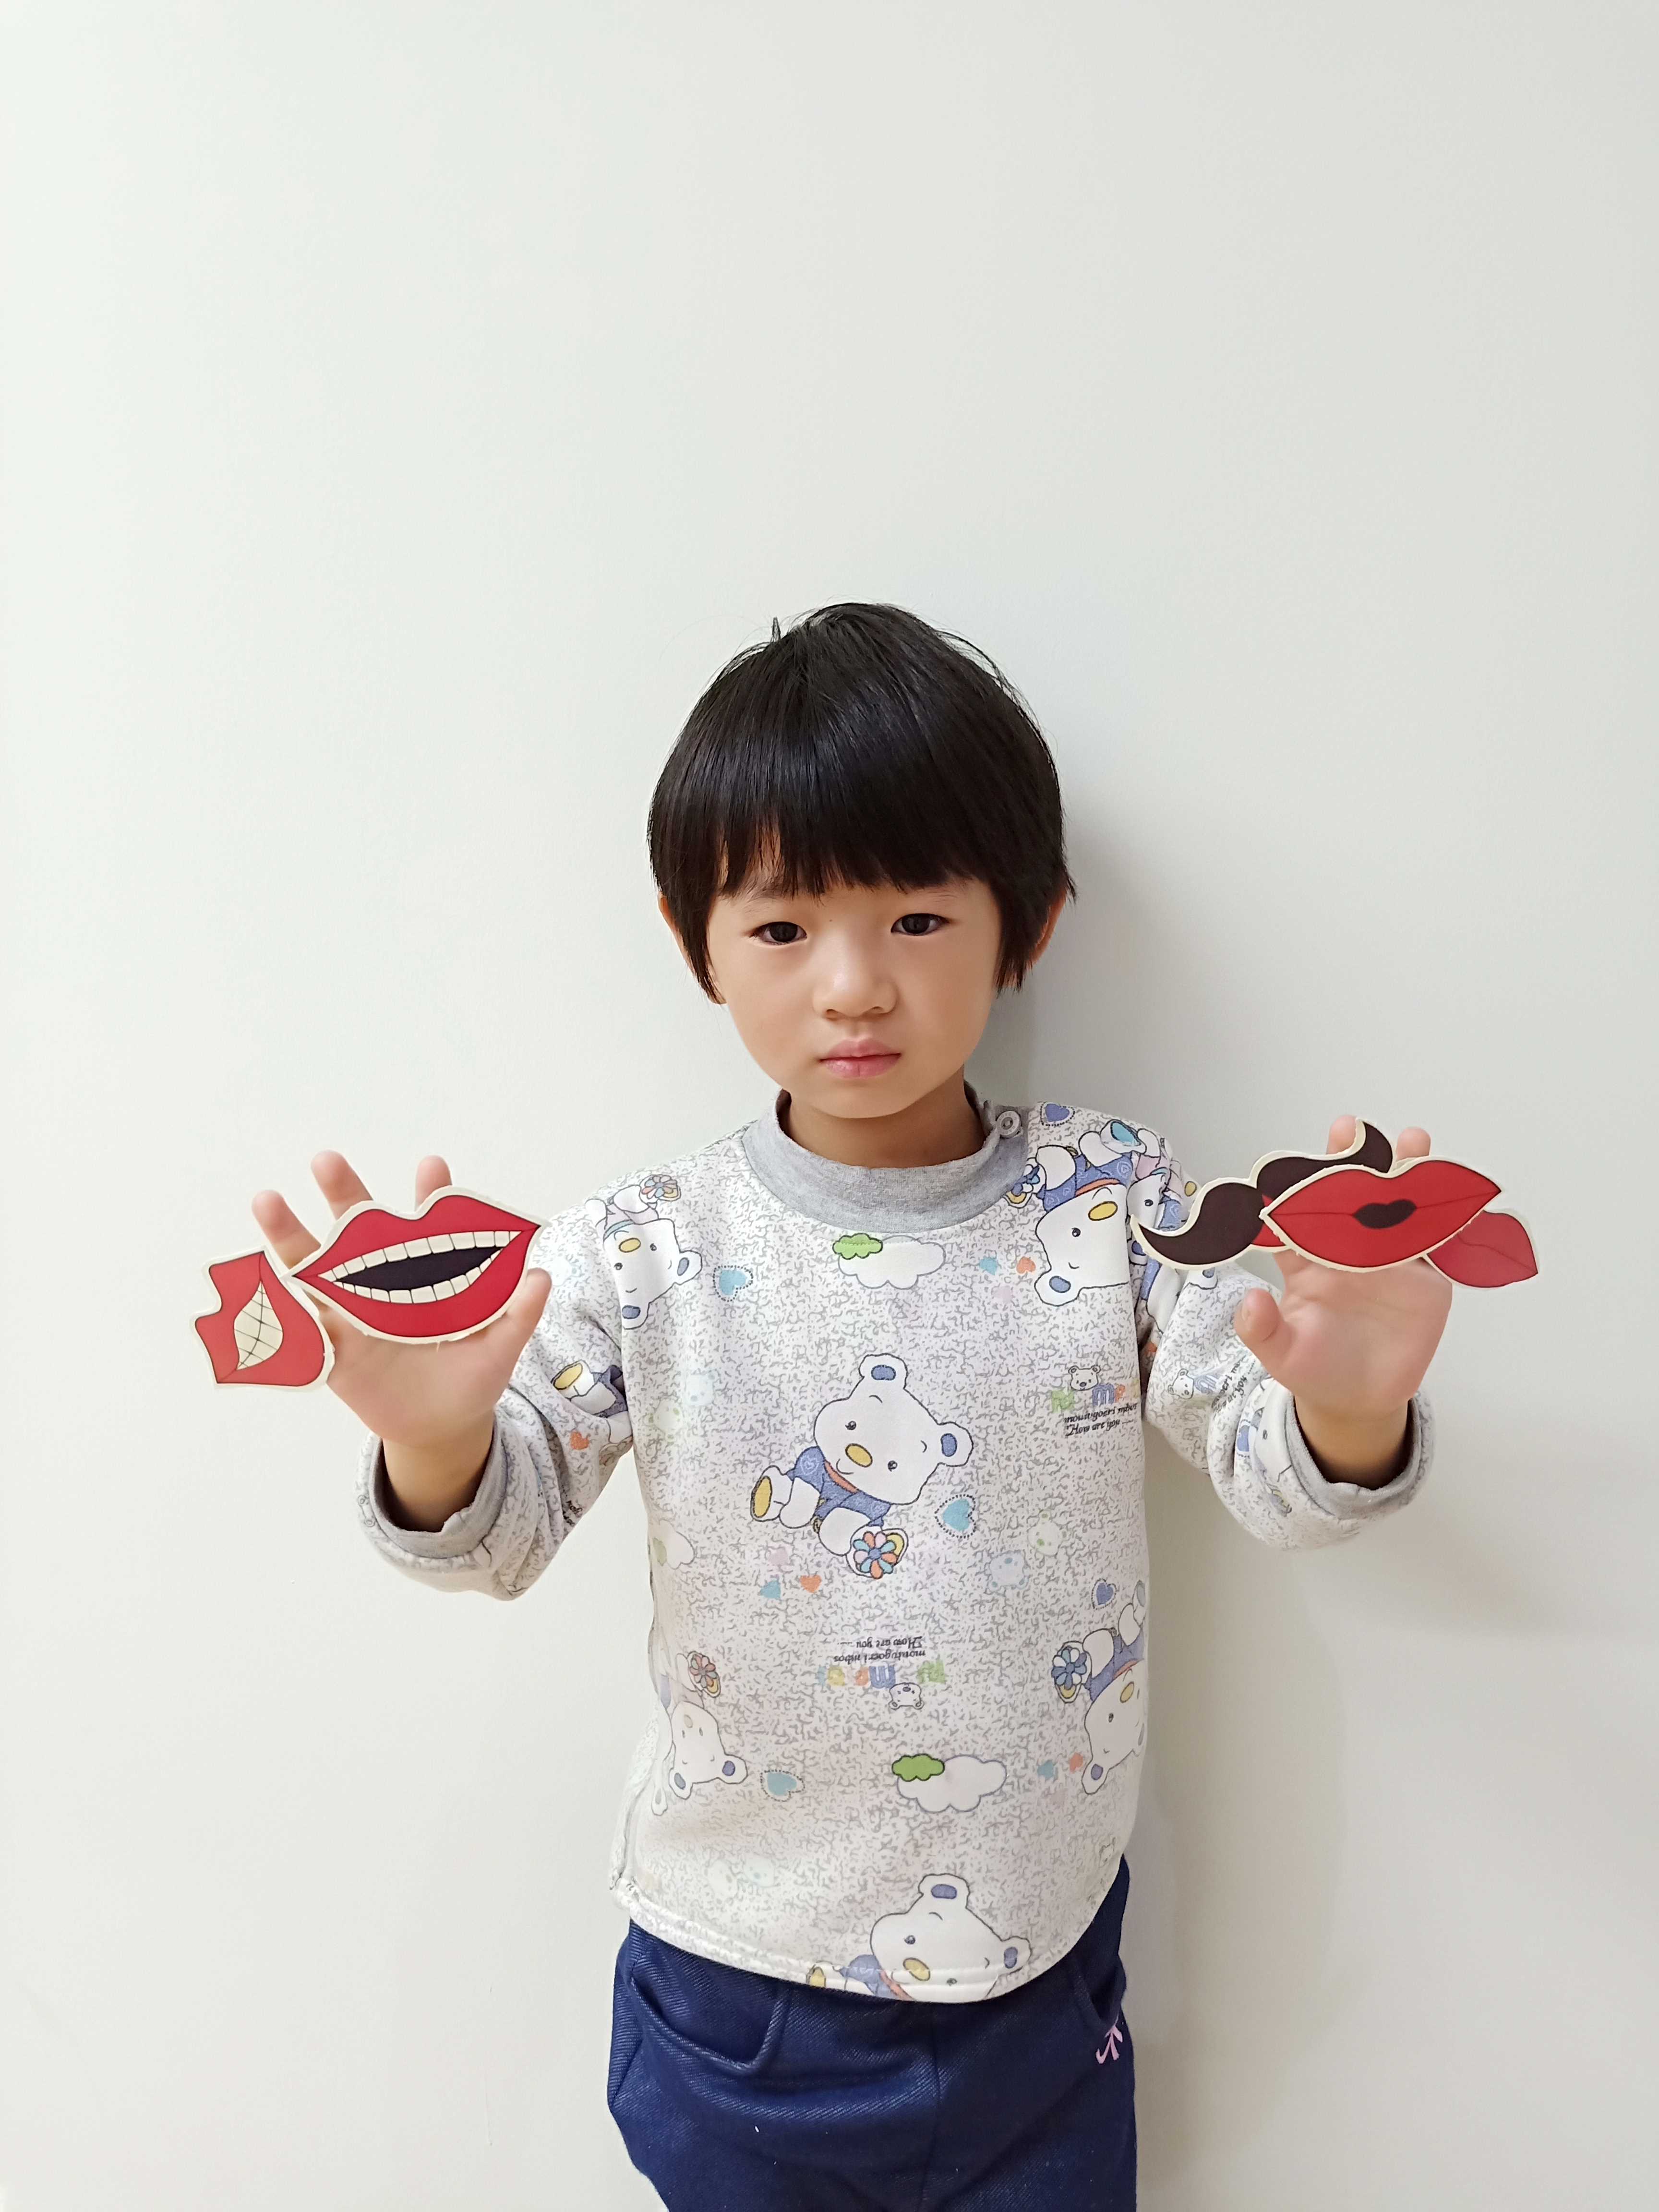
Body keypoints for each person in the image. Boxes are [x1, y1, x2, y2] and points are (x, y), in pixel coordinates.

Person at [253, 603, 1448, 2210]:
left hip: (1041, 1978)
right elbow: (495, 1535)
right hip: (740, 1988)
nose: (854, 987)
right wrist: (432, 1431)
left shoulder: (1110, 1196)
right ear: (694, 941)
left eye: (918, 918)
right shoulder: (645, 1243)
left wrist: (1351, 1410)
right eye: (781, 927)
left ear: (1028, 923)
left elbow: (1268, 1454)